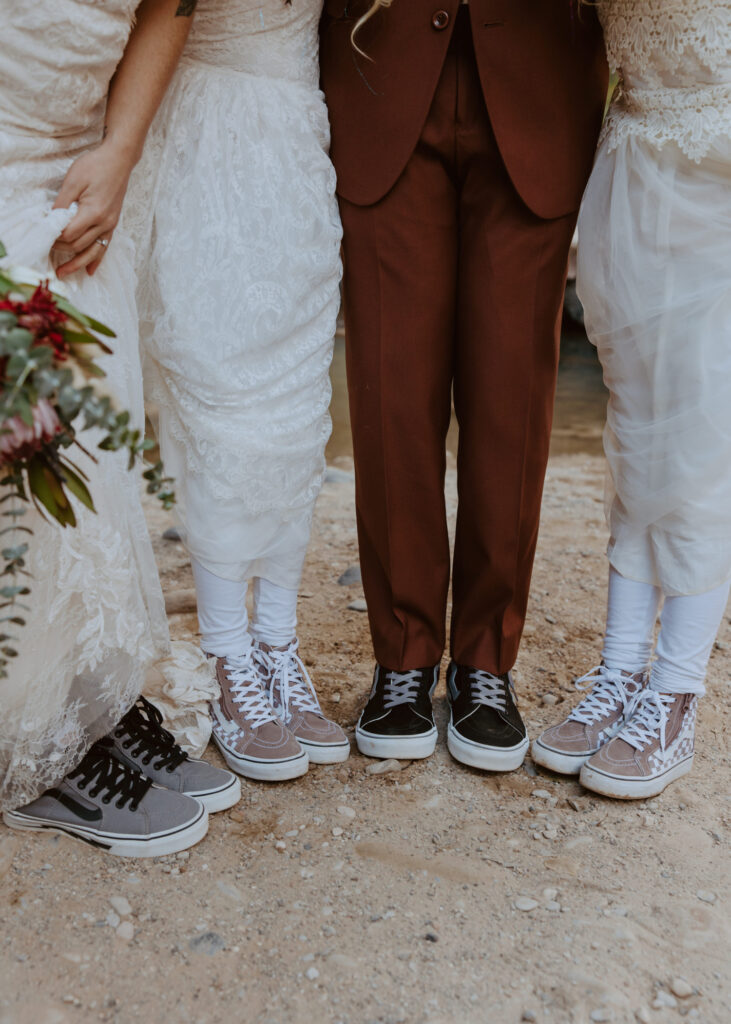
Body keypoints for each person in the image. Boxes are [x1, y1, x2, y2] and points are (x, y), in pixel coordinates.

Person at [319, 0, 608, 770]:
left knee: (512, 404)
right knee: (388, 396)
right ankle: (404, 658)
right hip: (382, 75)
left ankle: (485, 662)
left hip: (537, 85)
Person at [0, 0, 238, 857]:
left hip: (77, 158)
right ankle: (34, 748)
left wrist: (121, 149)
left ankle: (83, 704)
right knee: (27, 451)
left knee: (82, 440)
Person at [126, 0, 349, 782]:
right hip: (198, 131)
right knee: (218, 392)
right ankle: (227, 653)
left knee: (295, 404)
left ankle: (277, 645)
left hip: (294, 130)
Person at [532, 0, 731, 799]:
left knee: (703, 435)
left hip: (719, 169)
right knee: (636, 426)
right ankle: (618, 672)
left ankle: (676, 688)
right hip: (632, 160)